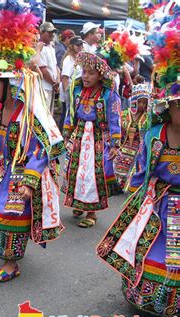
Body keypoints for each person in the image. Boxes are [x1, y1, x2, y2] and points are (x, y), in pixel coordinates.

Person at [97, 2, 180, 317]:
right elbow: (143, 172)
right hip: (156, 203)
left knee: (173, 258)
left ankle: (168, 305)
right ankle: (143, 298)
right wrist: (139, 196)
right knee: (142, 248)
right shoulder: (155, 134)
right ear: (168, 107)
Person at [0, 0, 65, 282]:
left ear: (8, 85)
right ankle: (6, 254)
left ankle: (11, 262)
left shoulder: (25, 113)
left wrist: (30, 181)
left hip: (21, 172)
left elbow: (41, 148)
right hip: (3, 168)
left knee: (12, 213)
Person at [63, 28, 142, 228]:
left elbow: (115, 118)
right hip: (80, 135)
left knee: (93, 174)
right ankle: (78, 202)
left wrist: (115, 143)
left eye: (91, 73)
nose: (86, 76)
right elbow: (71, 113)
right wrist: (67, 134)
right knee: (76, 170)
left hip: (98, 138)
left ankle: (92, 212)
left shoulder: (109, 95)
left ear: (100, 75)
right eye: (84, 71)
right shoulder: (78, 90)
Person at [113, 83, 150, 190]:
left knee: (137, 164)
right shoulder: (125, 114)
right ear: (134, 101)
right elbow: (118, 127)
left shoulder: (147, 116)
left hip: (139, 145)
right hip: (125, 143)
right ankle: (119, 184)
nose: (142, 105)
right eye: (140, 102)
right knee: (121, 161)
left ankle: (134, 185)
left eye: (144, 103)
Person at [59, 35, 83, 131]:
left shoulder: (79, 58)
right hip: (70, 90)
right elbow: (65, 77)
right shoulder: (68, 59)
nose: (80, 46)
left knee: (73, 113)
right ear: (72, 46)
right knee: (67, 113)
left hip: (77, 90)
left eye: (81, 44)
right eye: (78, 45)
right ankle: (62, 133)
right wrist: (67, 94)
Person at [38, 22, 59, 114]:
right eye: (49, 32)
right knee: (44, 114)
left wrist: (57, 81)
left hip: (51, 86)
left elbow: (55, 66)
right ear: (41, 33)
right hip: (44, 87)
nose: (52, 34)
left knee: (49, 114)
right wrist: (54, 83)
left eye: (53, 32)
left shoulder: (51, 47)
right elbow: (43, 70)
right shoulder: (40, 47)